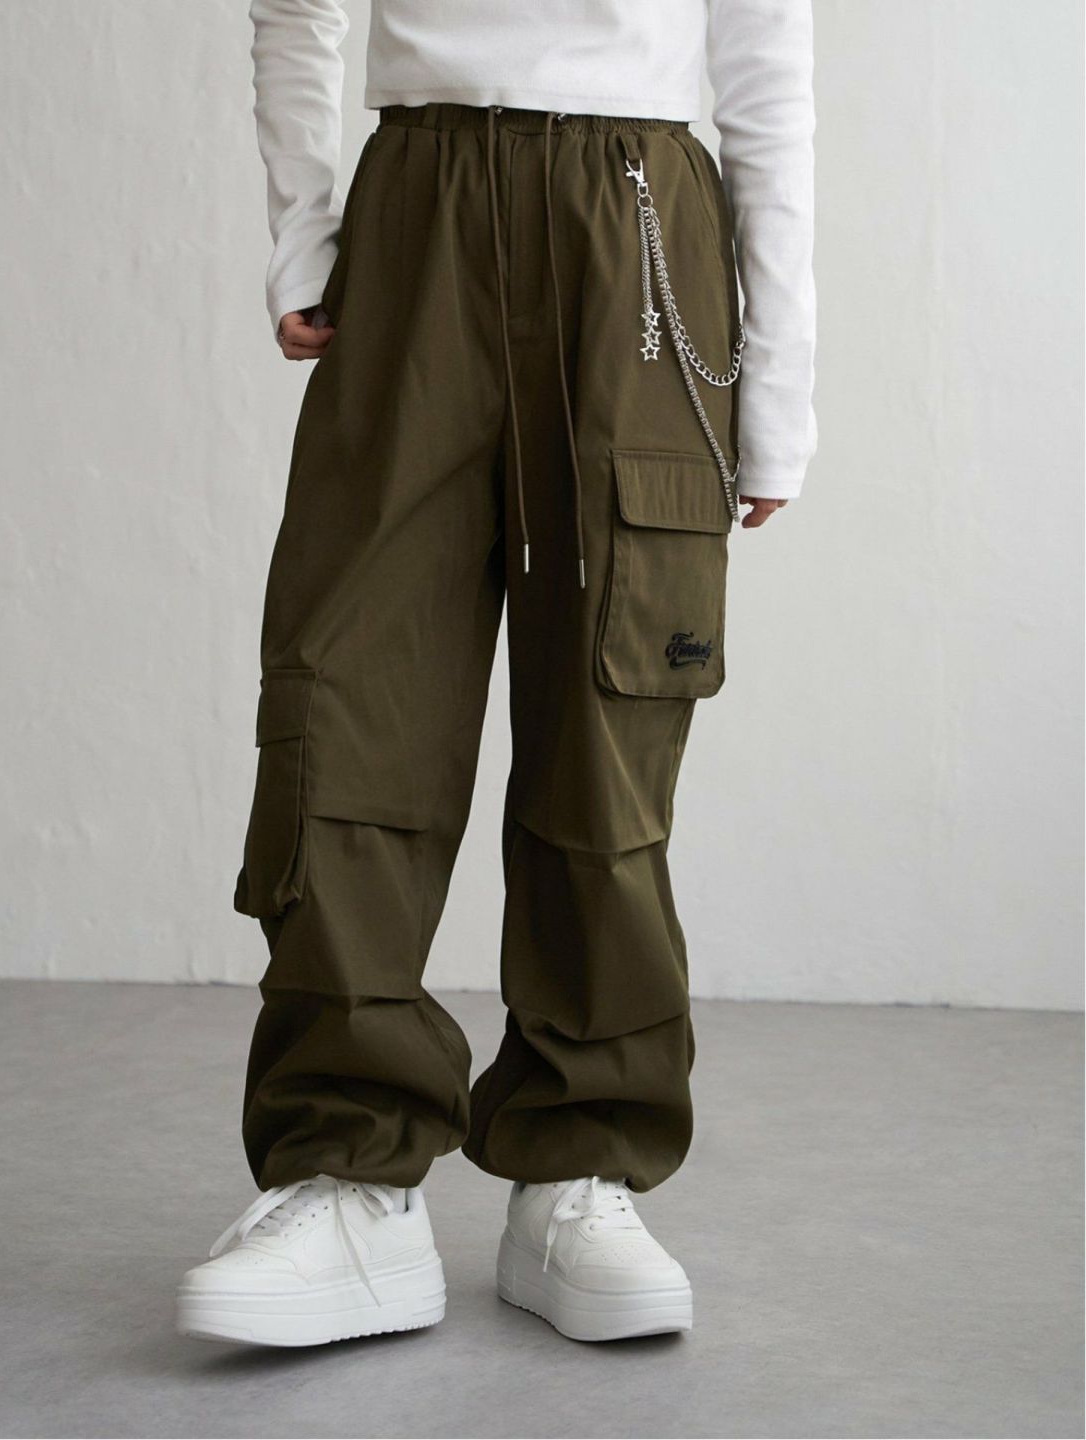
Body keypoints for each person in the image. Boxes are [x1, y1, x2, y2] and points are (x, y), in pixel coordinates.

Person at [177, 0, 816, 1348]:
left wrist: (781, 377)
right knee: (349, 690)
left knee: (613, 708)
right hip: (422, 202)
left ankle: (583, 1162)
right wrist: (302, 226)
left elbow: (766, 52)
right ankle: (347, 1172)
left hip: (639, 226)